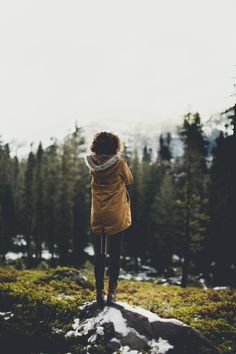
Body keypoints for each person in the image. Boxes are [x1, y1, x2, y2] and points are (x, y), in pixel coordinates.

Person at [85, 131, 133, 308]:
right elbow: (129, 180)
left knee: (99, 254)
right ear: (115, 147)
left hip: (98, 214)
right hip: (116, 214)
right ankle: (112, 293)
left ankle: (99, 294)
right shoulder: (119, 163)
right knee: (115, 254)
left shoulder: (92, 163)